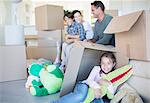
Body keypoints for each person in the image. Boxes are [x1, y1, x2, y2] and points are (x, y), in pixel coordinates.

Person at [52, 52, 117, 103]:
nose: (105, 66)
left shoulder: (113, 75)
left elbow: (111, 95)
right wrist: (97, 87)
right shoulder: (97, 68)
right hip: (85, 86)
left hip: (95, 95)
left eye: (108, 63)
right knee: (81, 96)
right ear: (100, 63)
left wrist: (109, 84)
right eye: (103, 63)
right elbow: (89, 80)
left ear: (113, 64)